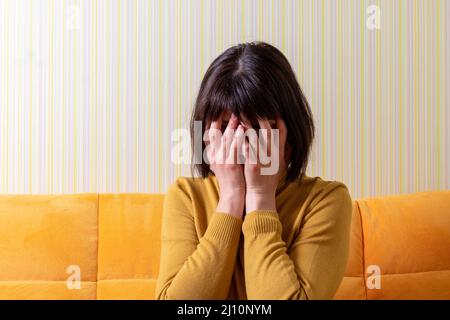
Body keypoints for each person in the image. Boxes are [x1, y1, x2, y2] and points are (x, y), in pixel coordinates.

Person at [156, 41, 353, 300]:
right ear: (206, 135)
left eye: (257, 130)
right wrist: (231, 199)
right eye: (227, 127)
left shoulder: (326, 200)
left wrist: (260, 197)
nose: (240, 141)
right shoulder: (186, 196)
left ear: (290, 135)